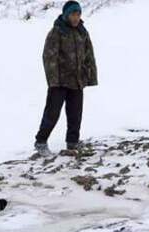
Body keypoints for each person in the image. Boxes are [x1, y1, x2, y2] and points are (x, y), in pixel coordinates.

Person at [34, 1, 98, 156]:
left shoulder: (82, 32)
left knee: (75, 114)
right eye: (73, 14)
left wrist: (89, 76)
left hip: (77, 81)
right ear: (66, 15)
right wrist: (53, 81)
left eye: (78, 14)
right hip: (60, 81)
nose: (76, 18)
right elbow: (49, 57)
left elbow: (89, 56)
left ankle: (72, 143)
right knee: (52, 113)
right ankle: (41, 142)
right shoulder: (57, 32)